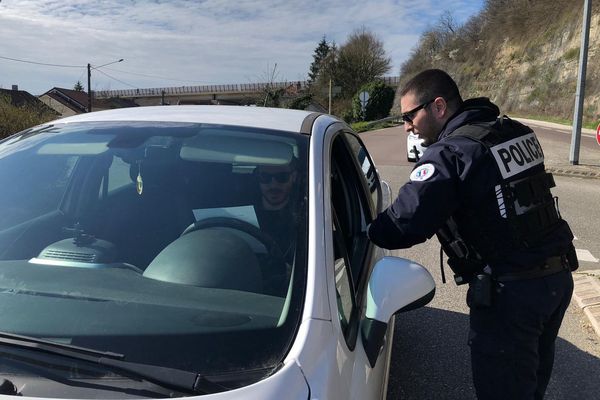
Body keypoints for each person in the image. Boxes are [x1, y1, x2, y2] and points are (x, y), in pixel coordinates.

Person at [367, 69, 576, 400]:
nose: (406, 126)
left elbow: (403, 224)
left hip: (512, 294)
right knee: (530, 384)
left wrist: (365, 230)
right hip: (556, 280)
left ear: (438, 107)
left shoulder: (451, 153)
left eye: (410, 116)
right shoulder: (512, 132)